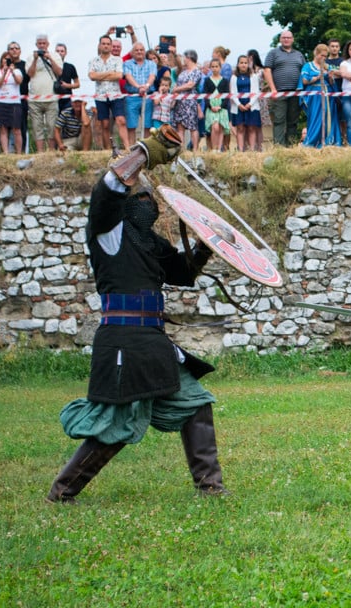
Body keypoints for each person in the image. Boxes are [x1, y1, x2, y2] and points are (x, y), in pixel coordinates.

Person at [47, 132, 230, 503]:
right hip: (123, 343)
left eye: (150, 198)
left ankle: (210, 488)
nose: (147, 203)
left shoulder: (148, 241)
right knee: (116, 424)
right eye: (140, 198)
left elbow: (183, 272)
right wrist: (147, 151)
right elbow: (112, 184)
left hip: (153, 342)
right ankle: (63, 491)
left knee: (195, 401)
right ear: (126, 205)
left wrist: (207, 245)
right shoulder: (106, 230)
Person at [263, 30, 305, 147]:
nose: (286, 39)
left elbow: (304, 72)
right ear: (280, 39)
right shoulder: (273, 53)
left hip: (295, 93)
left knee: (293, 121)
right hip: (279, 92)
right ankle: (279, 148)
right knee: (279, 121)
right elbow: (267, 70)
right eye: (284, 37)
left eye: (288, 37)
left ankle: (291, 146)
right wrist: (272, 89)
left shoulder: (299, 54)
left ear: (292, 39)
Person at [88, 35, 129, 155]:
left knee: (121, 120)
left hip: (115, 94)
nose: (106, 45)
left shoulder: (117, 60)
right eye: (103, 43)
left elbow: (119, 75)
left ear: (111, 46)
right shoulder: (93, 61)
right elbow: (92, 76)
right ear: (100, 45)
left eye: (108, 44)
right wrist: (109, 73)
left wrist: (100, 75)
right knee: (104, 124)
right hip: (101, 96)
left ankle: (127, 148)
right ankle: (108, 150)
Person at [26, 34, 64, 152]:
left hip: (51, 97)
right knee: (37, 127)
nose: (42, 46)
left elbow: (59, 72)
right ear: (36, 44)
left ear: (48, 44)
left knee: (51, 126)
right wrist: (36, 59)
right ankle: (40, 152)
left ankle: (51, 151)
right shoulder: (30, 57)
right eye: (39, 43)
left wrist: (50, 58)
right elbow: (30, 74)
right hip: (35, 98)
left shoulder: (55, 55)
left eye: (44, 43)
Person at [298, 44, 340, 149]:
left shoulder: (327, 66)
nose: (323, 58)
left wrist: (330, 77)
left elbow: (331, 82)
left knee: (329, 118)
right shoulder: (308, 66)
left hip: (327, 96)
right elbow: (304, 80)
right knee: (316, 118)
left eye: (325, 56)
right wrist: (318, 77)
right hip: (315, 97)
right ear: (316, 54)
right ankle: (312, 142)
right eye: (322, 55)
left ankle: (329, 142)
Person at [123, 42, 157, 140]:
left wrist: (146, 86)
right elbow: (128, 76)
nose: (139, 52)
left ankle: (145, 147)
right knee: (131, 126)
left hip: (148, 97)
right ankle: (132, 150)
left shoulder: (151, 64)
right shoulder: (127, 63)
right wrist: (139, 87)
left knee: (148, 125)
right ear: (132, 52)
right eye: (136, 50)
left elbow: (152, 76)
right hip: (132, 97)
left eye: (141, 50)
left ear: (144, 51)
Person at [0, 51, 24, 154]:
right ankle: (6, 152)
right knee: (3, 129)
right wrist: (5, 72)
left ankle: (18, 153)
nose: (6, 60)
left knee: (16, 129)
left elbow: (19, 81)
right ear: (1, 60)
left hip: (14, 102)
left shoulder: (17, 71)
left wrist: (12, 71)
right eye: (5, 58)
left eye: (9, 59)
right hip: (0, 102)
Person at [229, 55, 263, 152]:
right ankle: (240, 149)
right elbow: (232, 93)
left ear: (248, 64)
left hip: (251, 105)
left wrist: (249, 104)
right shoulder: (234, 77)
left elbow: (256, 92)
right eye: (241, 63)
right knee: (240, 128)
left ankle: (252, 150)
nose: (243, 65)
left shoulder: (253, 76)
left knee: (252, 127)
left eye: (245, 63)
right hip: (238, 106)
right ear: (238, 64)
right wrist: (239, 104)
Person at [173, 50, 203, 152]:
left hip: (190, 103)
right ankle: (180, 149)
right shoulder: (183, 72)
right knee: (180, 127)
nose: (183, 60)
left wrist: (177, 89)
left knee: (192, 127)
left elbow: (191, 84)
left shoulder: (197, 71)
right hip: (179, 103)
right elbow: (177, 83)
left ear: (189, 58)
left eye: (184, 58)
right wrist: (175, 90)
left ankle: (195, 149)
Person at [202, 59, 231, 151]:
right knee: (214, 127)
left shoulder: (225, 81)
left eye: (216, 66)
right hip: (211, 107)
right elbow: (205, 96)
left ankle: (219, 149)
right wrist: (211, 107)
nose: (214, 69)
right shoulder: (207, 80)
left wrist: (221, 106)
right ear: (210, 68)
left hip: (221, 107)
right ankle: (214, 148)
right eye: (213, 67)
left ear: (220, 68)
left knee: (220, 127)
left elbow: (227, 96)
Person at [246, 49, 266, 149]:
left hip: (260, 99)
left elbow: (268, 82)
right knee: (249, 124)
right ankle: (250, 146)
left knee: (258, 125)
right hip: (248, 98)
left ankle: (260, 146)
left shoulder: (262, 70)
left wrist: (263, 90)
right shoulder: (247, 70)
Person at [54, 43, 80, 113]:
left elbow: (77, 84)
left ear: (65, 53)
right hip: (52, 100)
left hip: (67, 100)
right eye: (57, 51)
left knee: (67, 122)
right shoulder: (49, 66)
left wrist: (67, 85)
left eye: (62, 51)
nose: (59, 53)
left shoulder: (70, 67)